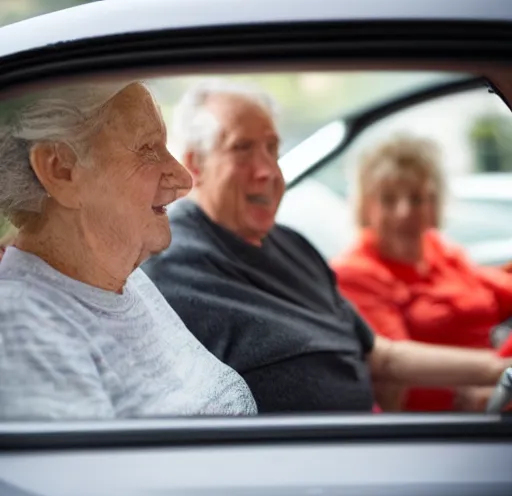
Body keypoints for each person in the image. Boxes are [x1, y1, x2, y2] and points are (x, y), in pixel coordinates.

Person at [143, 80, 511, 414]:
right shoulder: (173, 262)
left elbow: (380, 357)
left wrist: (499, 370)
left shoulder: (292, 244)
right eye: (242, 149)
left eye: (272, 149)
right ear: (195, 163)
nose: (268, 171)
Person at [0, 80, 257, 420]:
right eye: (149, 148)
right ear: (60, 170)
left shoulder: (124, 281)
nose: (183, 178)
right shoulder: (22, 328)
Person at [330, 135, 512, 411]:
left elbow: (502, 290)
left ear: (433, 203)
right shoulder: (354, 273)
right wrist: (493, 377)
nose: (404, 212)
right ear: (367, 206)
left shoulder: (440, 252)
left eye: (416, 198)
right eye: (388, 200)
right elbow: (397, 374)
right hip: (451, 417)